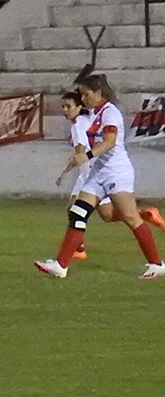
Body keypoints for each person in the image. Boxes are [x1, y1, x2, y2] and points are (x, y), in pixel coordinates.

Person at [36, 74, 165, 280]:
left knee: (131, 218)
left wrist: (85, 156)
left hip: (116, 172)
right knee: (78, 212)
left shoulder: (110, 112)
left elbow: (110, 141)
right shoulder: (96, 113)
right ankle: (61, 265)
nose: (84, 99)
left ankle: (157, 264)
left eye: (87, 94)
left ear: (99, 93)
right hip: (99, 172)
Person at [56, 91, 164, 261]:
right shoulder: (91, 118)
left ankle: (76, 251)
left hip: (92, 173)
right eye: (63, 107)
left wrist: (68, 169)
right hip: (96, 171)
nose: (65, 110)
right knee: (107, 215)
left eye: (68, 106)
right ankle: (144, 215)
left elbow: (80, 153)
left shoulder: (78, 125)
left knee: (74, 209)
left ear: (80, 106)